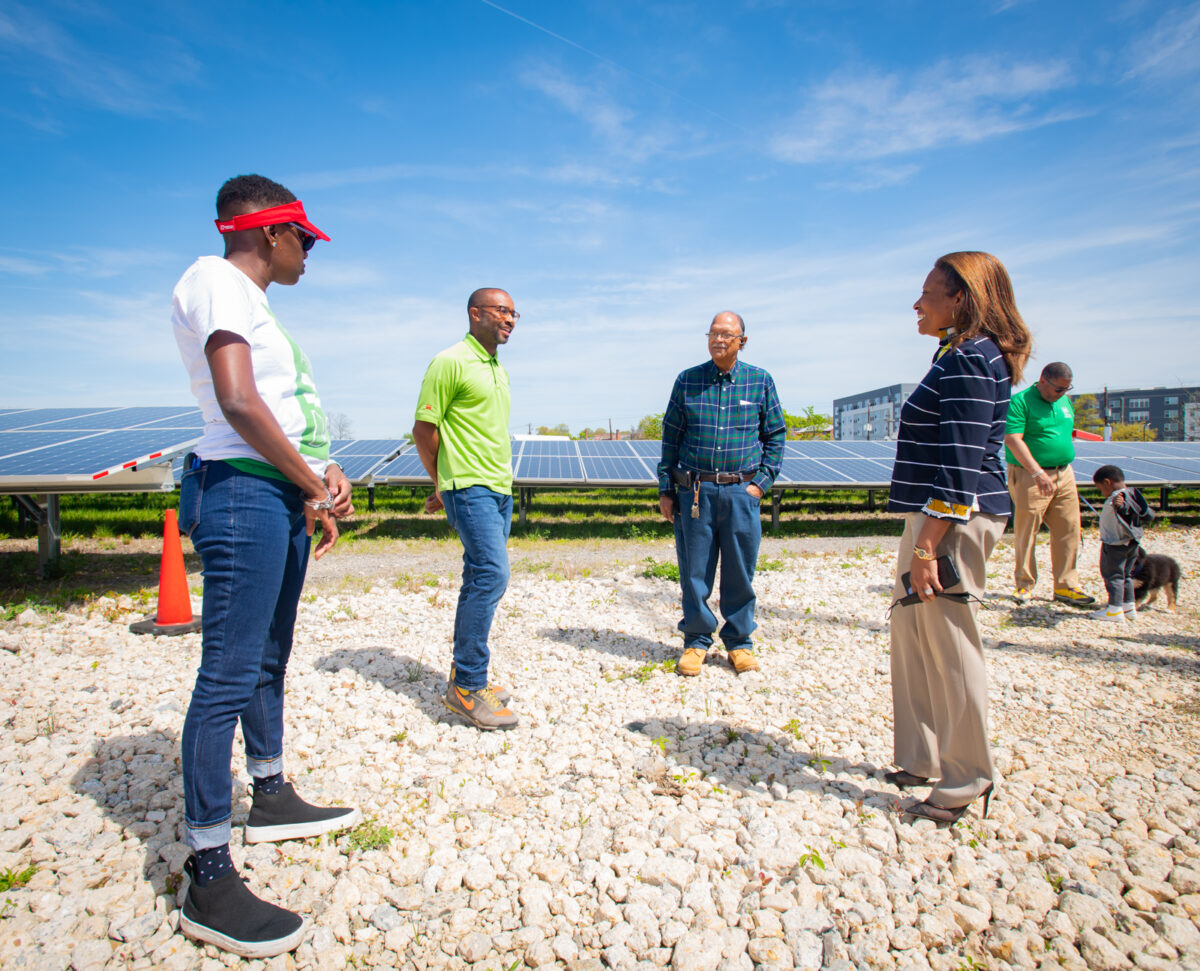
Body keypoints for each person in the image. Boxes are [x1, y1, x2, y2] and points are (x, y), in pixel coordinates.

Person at [172, 174, 360, 957]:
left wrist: (321, 473)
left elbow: (280, 410)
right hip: (243, 494)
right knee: (226, 673)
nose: (310, 251)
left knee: (268, 658)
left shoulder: (255, 302)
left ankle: (272, 793)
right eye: (304, 237)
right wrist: (310, 481)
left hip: (276, 493)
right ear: (270, 231)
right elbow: (240, 403)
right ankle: (208, 872)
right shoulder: (216, 279)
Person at [886, 251, 1032, 824]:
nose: (916, 304)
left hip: (952, 522)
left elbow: (961, 463)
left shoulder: (972, 358)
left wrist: (928, 546)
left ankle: (968, 778)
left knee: (949, 644)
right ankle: (921, 756)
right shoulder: (956, 353)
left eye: (927, 293)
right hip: (933, 517)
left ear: (962, 298)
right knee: (913, 633)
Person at [656, 311, 785, 676]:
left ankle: (739, 643)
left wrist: (760, 484)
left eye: (727, 334)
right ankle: (696, 641)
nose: (718, 340)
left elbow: (775, 435)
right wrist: (666, 488)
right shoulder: (688, 380)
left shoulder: (759, 381)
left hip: (742, 492)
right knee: (694, 572)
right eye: (713, 333)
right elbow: (671, 437)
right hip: (695, 492)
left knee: (740, 572)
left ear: (742, 341)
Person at [414, 289, 519, 730]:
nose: (509, 319)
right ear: (475, 314)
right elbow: (424, 429)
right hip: (470, 487)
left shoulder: (498, 368)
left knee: (478, 575)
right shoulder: (450, 361)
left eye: (514, 313)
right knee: (493, 575)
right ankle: (468, 686)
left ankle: (464, 677)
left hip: (498, 488)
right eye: (501, 311)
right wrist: (444, 482)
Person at [1004, 362, 1095, 606]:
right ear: (1043, 380)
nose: (1062, 393)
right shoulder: (1021, 401)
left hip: (1064, 473)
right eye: (1058, 389)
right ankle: (1024, 584)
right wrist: (1037, 472)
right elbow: (1013, 439)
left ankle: (1066, 585)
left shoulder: (1064, 402)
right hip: (1030, 474)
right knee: (1027, 530)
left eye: (1067, 389)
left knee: (1069, 528)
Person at [1091, 464, 1153, 624]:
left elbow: (1125, 510)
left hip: (1115, 544)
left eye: (1100, 489)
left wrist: (1121, 506)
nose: (1101, 493)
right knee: (1126, 576)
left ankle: (1114, 609)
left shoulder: (1117, 498)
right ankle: (1128, 607)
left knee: (1114, 576)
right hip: (1131, 543)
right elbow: (1147, 513)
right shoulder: (1132, 493)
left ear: (1107, 482)